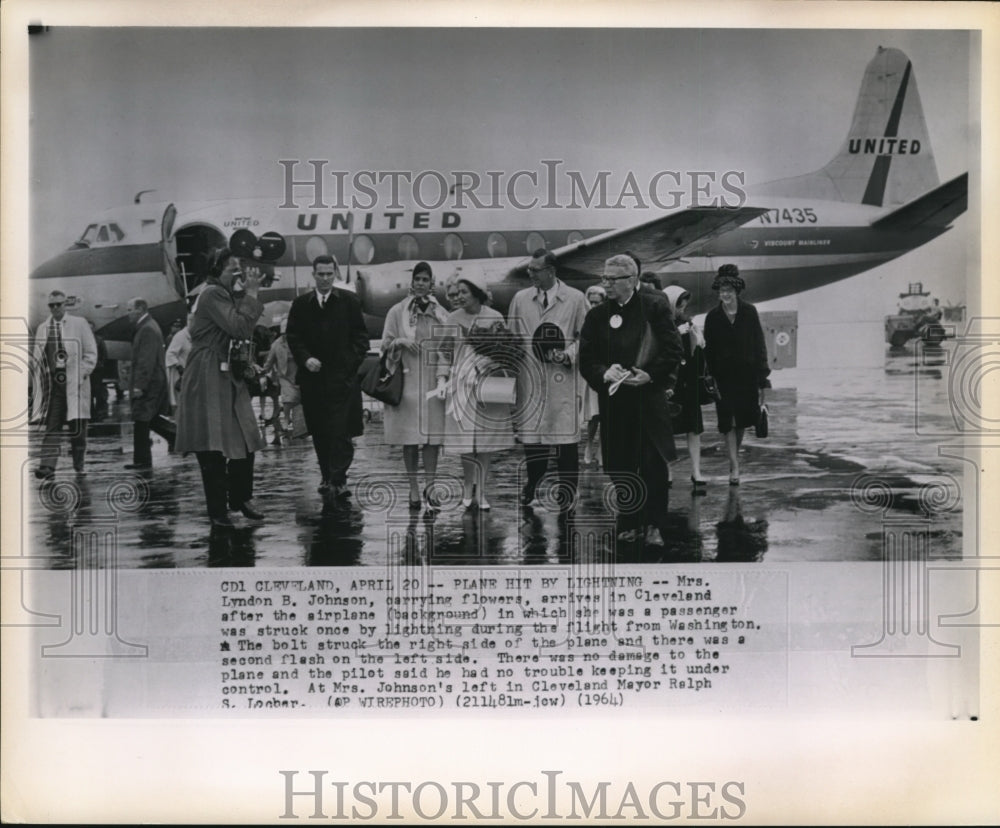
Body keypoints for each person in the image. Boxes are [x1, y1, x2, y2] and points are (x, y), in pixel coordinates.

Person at [579, 254, 683, 545]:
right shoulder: (597, 314)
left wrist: (649, 375)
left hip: (647, 400)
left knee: (651, 465)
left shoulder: (654, 305)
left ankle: (654, 524)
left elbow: (673, 351)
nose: (606, 285)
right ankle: (629, 519)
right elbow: (586, 359)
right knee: (618, 464)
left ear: (632, 280)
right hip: (614, 403)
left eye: (612, 280)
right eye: (604, 278)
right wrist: (604, 372)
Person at [175, 248, 266, 527]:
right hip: (207, 373)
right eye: (232, 269)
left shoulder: (223, 294)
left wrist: (248, 294)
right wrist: (251, 294)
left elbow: (243, 327)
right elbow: (239, 327)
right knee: (212, 446)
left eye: (239, 269)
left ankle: (240, 497)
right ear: (217, 270)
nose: (238, 274)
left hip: (227, 373)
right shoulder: (212, 293)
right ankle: (218, 510)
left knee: (246, 434)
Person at [508, 249, 589, 513]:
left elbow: (586, 338)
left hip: (561, 379)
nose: (530, 274)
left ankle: (567, 494)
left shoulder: (575, 299)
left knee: (565, 441)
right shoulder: (521, 299)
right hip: (530, 379)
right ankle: (532, 484)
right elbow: (512, 337)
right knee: (533, 442)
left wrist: (568, 355)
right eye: (529, 269)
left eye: (535, 270)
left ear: (551, 271)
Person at [286, 255, 369, 505]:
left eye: (329, 274)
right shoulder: (301, 304)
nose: (324, 279)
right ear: (313, 274)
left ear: (334, 274)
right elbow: (293, 336)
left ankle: (339, 478)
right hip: (313, 380)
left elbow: (361, 339)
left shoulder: (350, 302)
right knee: (320, 430)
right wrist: (305, 358)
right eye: (320, 274)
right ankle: (326, 476)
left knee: (342, 431)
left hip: (342, 380)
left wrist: (347, 365)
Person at [436, 270, 516, 510]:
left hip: (487, 385)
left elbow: (505, 351)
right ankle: (468, 487)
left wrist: (491, 362)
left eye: (464, 292)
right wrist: (442, 378)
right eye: (457, 292)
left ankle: (482, 492)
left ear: (476, 293)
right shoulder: (452, 318)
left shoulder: (494, 316)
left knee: (485, 441)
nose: (459, 297)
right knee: (465, 442)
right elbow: (444, 352)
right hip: (462, 385)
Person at [381, 261, 450, 510]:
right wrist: (399, 342)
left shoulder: (440, 313)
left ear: (432, 283)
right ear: (412, 282)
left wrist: (443, 376)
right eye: (417, 279)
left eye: (425, 279)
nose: (421, 283)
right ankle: (413, 488)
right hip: (408, 381)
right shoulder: (397, 312)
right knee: (409, 439)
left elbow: (446, 348)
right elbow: (384, 344)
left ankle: (430, 486)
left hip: (432, 382)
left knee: (432, 438)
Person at [703, 264, 770, 485]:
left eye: (728, 291)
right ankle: (734, 466)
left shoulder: (749, 312)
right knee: (727, 421)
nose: (724, 295)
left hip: (747, 376)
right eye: (721, 291)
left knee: (741, 420)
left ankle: (735, 457)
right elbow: (709, 350)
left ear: (736, 291)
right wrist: (709, 376)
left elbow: (759, 344)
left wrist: (763, 377)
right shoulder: (712, 317)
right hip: (723, 377)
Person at [31, 290, 98, 478]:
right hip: (55, 386)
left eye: (58, 304)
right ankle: (47, 466)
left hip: (75, 384)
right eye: (51, 305)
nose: (55, 308)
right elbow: (38, 356)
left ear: (65, 305)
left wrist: (81, 374)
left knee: (77, 430)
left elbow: (91, 353)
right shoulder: (43, 328)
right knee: (52, 425)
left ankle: (79, 465)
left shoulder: (79, 324)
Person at [663, 285, 707, 491]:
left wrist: (699, 342)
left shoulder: (688, 323)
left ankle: (696, 470)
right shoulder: (661, 324)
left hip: (688, 382)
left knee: (693, 428)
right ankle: (667, 470)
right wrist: (674, 333)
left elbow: (696, 358)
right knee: (667, 429)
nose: (682, 310)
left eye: (684, 306)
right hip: (671, 383)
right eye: (679, 305)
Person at [125, 297, 175, 469]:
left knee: (141, 418)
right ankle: (176, 437)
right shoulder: (148, 326)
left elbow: (146, 360)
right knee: (149, 418)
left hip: (150, 383)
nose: (128, 313)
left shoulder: (147, 329)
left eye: (130, 309)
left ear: (140, 309)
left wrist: (139, 385)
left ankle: (142, 461)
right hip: (153, 381)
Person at [263, 318, 304, 439]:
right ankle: (286, 418)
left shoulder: (301, 341)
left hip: (299, 373)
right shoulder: (276, 344)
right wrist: (263, 371)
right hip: (284, 375)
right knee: (288, 398)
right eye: (285, 333)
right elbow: (270, 361)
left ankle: (300, 425)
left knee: (299, 399)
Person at [581, 285, 606, 467]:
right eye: (591, 302)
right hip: (592, 373)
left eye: (597, 302)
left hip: (606, 370)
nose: (594, 305)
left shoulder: (607, 318)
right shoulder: (586, 321)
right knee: (594, 415)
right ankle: (589, 445)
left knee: (605, 413)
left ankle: (602, 450)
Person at [164, 312, 193, 415]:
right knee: (180, 403)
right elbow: (169, 354)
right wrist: (179, 367)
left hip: (190, 374)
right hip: (180, 375)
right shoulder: (180, 336)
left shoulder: (193, 336)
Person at [88, 320, 109, 422]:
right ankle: (91, 413)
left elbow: (104, 354)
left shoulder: (99, 340)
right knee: (89, 393)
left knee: (99, 392)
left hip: (97, 370)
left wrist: (100, 364)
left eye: (90, 327)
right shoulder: (82, 339)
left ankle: (101, 412)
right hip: (87, 371)